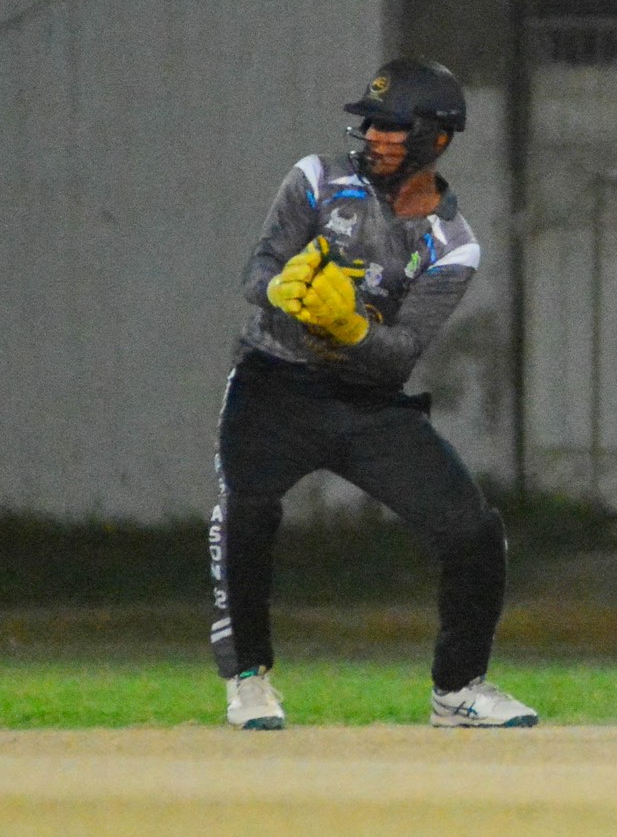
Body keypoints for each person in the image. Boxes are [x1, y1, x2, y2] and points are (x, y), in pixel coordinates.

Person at [208, 58, 538, 730]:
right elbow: (257, 270)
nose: (375, 138)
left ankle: (458, 689)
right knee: (246, 513)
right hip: (274, 383)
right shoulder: (316, 179)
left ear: (437, 137)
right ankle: (248, 681)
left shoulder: (454, 243)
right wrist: (281, 291)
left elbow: (401, 352)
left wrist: (350, 326)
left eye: (393, 127)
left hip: (368, 403)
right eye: (371, 125)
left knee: (473, 532)